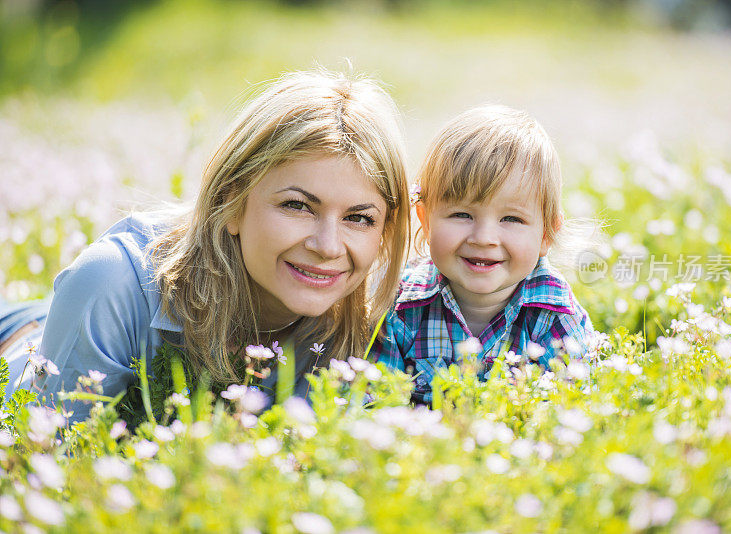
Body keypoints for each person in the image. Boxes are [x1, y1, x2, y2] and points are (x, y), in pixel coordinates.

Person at [1, 69, 410, 422]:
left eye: (359, 217)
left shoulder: (387, 318)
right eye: (297, 206)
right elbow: (52, 457)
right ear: (230, 202)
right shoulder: (112, 285)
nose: (327, 246)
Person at [368, 105, 593, 405]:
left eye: (511, 219)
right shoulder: (402, 307)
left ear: (546, 234)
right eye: (462, 214)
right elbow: (375, 405)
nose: (484, 238)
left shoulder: (554, 316)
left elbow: (574, 412)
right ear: (425, 219)